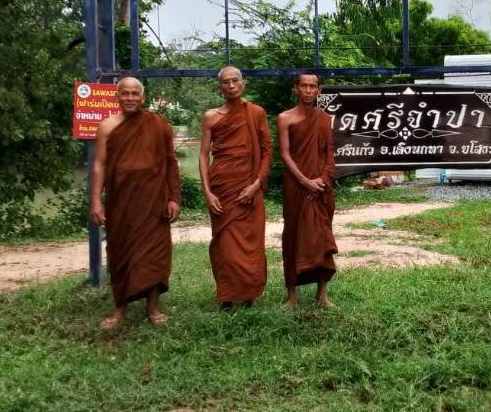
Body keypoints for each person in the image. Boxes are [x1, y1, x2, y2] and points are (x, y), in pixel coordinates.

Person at [90, 77, 181, 330]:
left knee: (155, 254)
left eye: (135, 93)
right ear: (117, 97)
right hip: (120, 202)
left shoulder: (159, 124)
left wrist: (174, 197)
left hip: (154, 201)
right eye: (125, 93)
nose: (130, 98)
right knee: (120, 252)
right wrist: (96, 201)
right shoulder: (107, 127)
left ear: (143, 97)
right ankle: (120, 309)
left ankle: (153, 309)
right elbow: (99, 165)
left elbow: (171, 162)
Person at [198, 66, 271, 309]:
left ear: (242, 83)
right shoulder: (211, 116)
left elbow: (266, 151)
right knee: (225, 244)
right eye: (225, 82)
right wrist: (207, 192)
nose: (231, 86)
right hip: (222, 187)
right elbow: (203, 155)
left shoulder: (256, 113)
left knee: (250, 242)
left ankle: (248, 294)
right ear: (219, 87)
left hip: (249, 185)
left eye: (235, 80)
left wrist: (256, 184)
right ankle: (227, 296)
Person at [277, 72, 338, 309]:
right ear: (296, 89)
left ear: (319, 90)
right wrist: (305, 181)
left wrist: (323, 179)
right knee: (293, 234)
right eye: (304, 86)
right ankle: (291, 296)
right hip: (296, 185)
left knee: (321, 236)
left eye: (313, 86)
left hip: (321, 186)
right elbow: (285, 154)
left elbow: (329, 151)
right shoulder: (285, 118)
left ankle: (322, 294)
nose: (309, 90)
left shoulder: (324, 118)